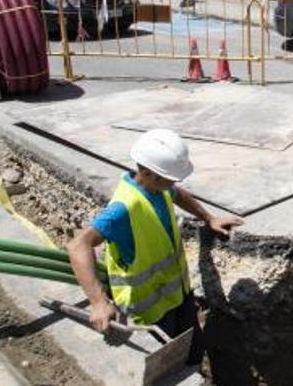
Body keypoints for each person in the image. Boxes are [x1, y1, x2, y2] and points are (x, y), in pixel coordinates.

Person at [67, 129, 243, 364]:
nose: (174, 183)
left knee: (193, 352)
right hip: (149, 314)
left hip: (179, 297)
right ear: (150, 173)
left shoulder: (158, 188)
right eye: (170, 178)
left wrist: (208, 218)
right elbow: (79, 244)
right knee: (168, 368)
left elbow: (177, 193)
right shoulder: (124, 208)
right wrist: (98, 302)